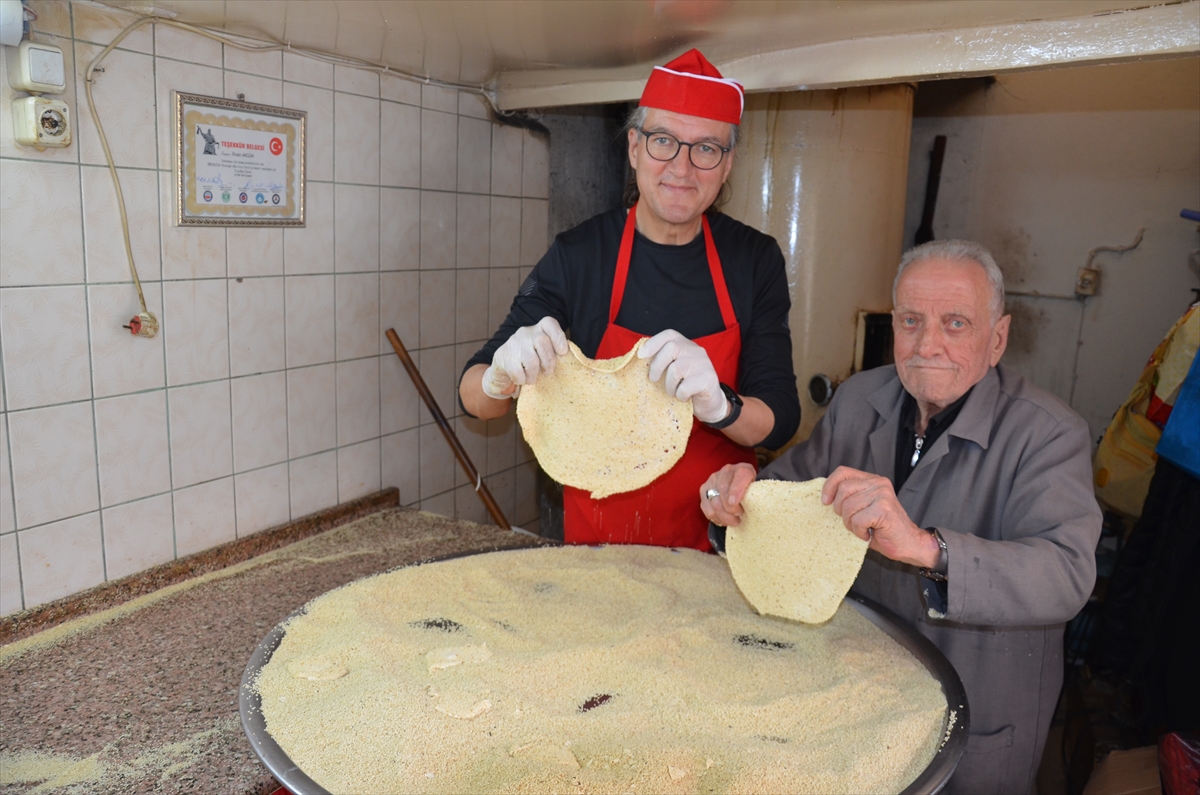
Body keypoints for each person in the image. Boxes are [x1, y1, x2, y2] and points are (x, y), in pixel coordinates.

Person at [701, 239, 1102, 794]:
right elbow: (790, 493)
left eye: (956, 323)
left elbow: (1067, 575)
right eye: (912, 321)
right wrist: (738, 502)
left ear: (998, 338)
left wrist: (925, 547)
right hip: (857, 690)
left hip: (979, 709)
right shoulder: (860, 398)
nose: (928, 345)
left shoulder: (1048, 434)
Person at [459, 49, 800, 551]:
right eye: (664, 141)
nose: (682, 168)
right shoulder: (581, 254)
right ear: (635, 148)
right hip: (602, 544)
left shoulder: (754, 259)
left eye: (706, 148)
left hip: (716, 539)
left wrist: (718, 404)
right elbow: (473, 399)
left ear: (727, 165)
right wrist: (500, 374)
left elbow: (778, 421)